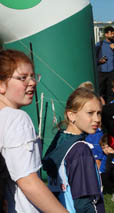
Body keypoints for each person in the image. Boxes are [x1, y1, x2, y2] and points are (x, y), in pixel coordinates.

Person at [0, 49, 67, 212]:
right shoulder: (17, 119)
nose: (32, 82)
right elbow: (28, 181)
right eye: (23, 78)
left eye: (32, 76)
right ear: (1, 84)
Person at [43, 88, 105, 212]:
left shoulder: (59, 140)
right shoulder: (80, 150)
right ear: (71, 115)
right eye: (90, 113)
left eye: (99, 113)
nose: (97, 119)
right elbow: (86, 202)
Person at [96, 26, 114, 103]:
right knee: (99, 92)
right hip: (101, 71)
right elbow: (93, 57)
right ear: (106, 34)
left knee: (110, 92)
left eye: (113, 33)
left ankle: (110, 109)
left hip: (111, 72)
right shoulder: (99, 44)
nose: (113, 35)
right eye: (111, 33)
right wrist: (99, 61)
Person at [99, 134, 114, 202]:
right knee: (102, 175)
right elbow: (102, 169)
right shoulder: (105, 156)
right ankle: (111, 188)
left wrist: (111, 155)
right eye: (103, 148)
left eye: (108, 147)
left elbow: (110, 166)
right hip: (111, 177)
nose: (106, 150)